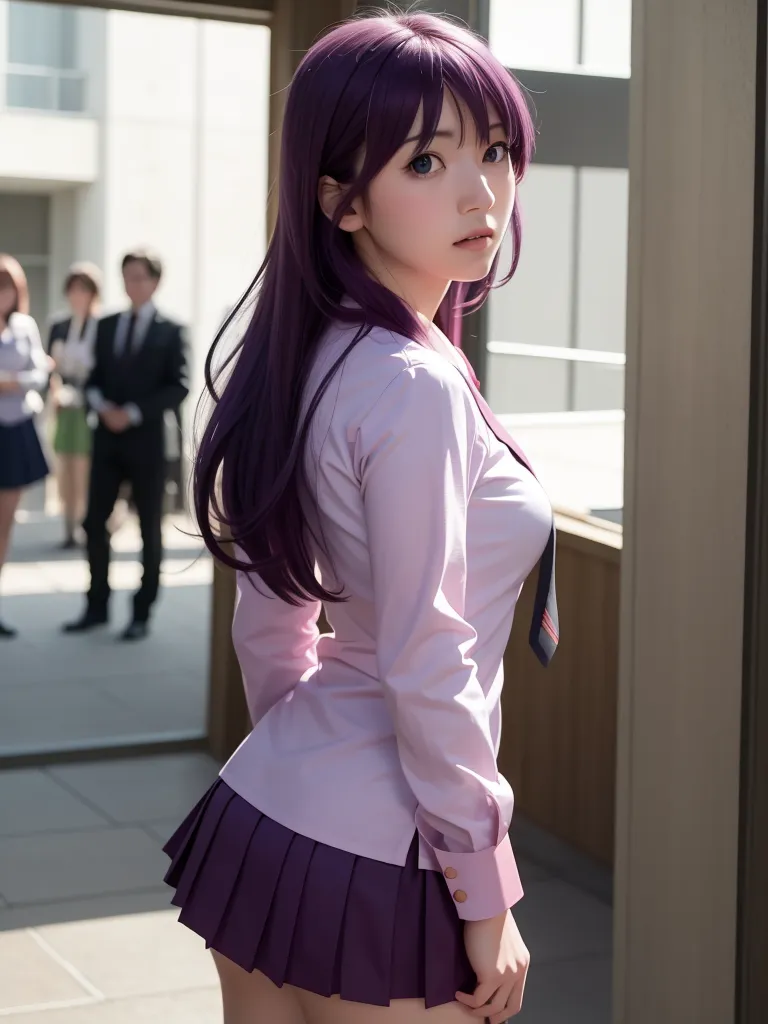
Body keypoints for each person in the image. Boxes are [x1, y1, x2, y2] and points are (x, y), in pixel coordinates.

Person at [164, 12, 559, 1024]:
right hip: (390, 852)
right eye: (427, 160)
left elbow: (271, 622)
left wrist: (307, 772)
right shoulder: (412, 382)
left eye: (495, 149)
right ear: (341, 200)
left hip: (265, 808)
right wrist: (485, 888)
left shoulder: (310, 355)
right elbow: (431, 654)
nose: (482, 192)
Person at [63, 249, 189, 641]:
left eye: (139, 277)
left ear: (154, 281)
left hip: (147, 441)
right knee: (94, 522)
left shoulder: (171, 330)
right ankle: (96, 605)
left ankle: (141, 612)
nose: (132, 284)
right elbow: (93, 377)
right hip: (106, 441)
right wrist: (102, 407)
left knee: (150, 528)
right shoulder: (106, 325)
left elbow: (179, 385)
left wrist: (133, 412)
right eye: (127, 277)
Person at [0, 255, 50, 638]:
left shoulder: (24, 326)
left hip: (15, 427)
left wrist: (13, 381)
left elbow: (39, 372)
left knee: (5, 523)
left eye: (6, 287)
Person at [47, 262, 102, 549]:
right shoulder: (59, 325)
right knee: (64, 467)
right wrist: (55, 391)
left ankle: (85, 523)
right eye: (74, 289)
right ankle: (68, 526)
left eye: (84, 289)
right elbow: (49, 367)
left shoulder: (102, 326)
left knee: (84, 468)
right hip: (63, 406)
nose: (78, 295)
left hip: (89, 407)